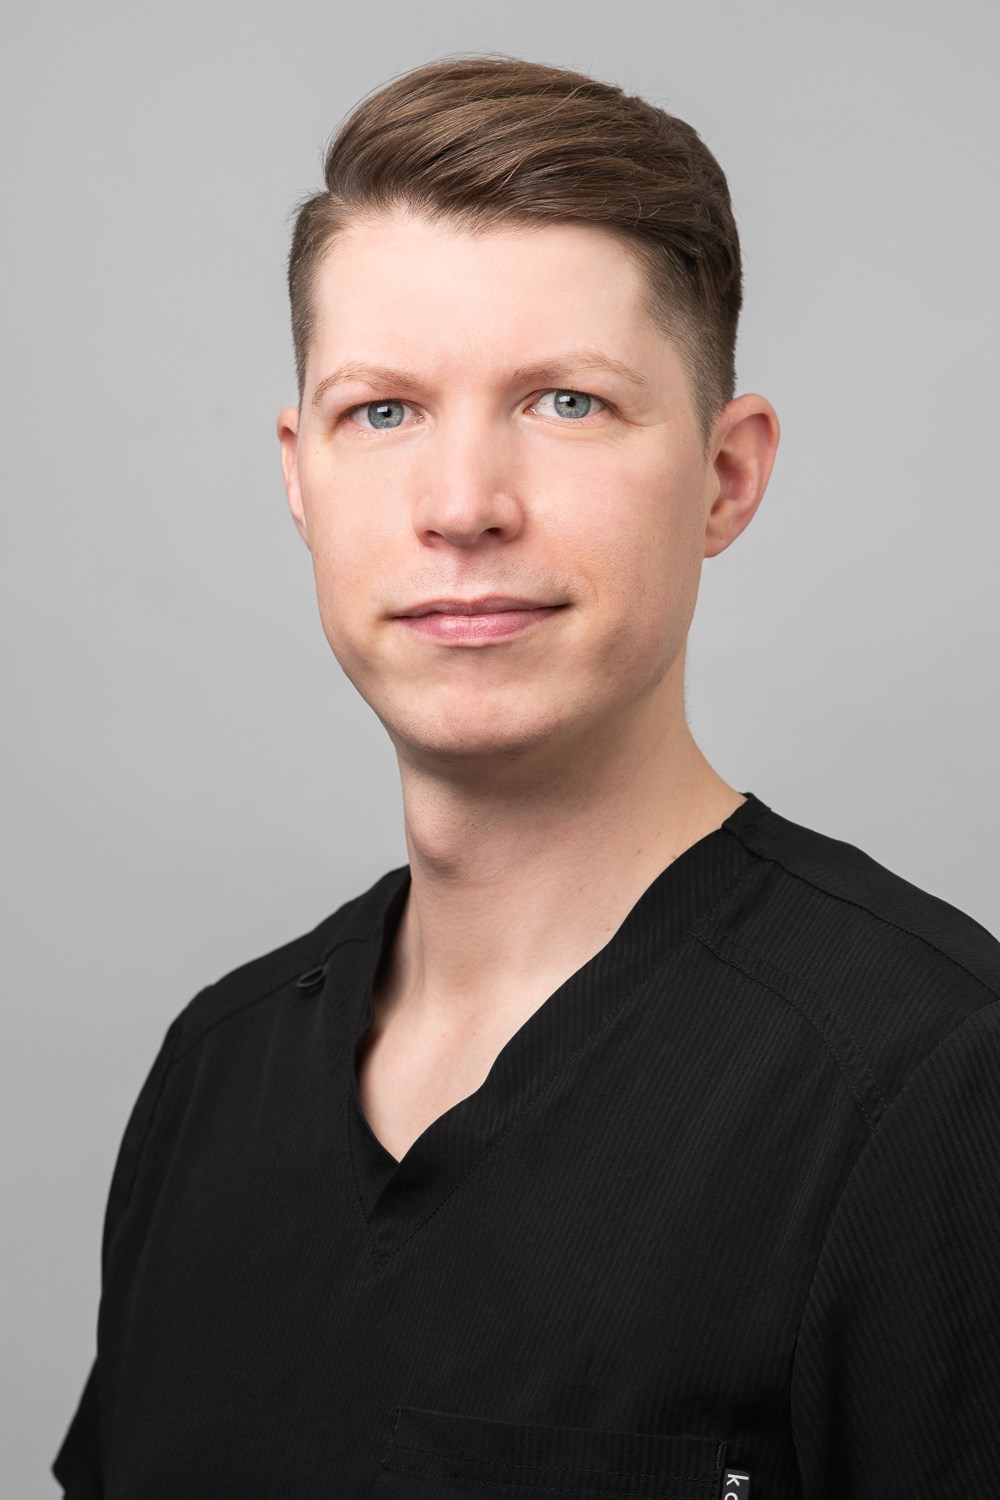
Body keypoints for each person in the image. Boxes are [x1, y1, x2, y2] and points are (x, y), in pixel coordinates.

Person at [53, 55, 1000, 1500]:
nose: (462, 507)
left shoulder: (935, 1090)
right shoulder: (214, 1071)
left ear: (727, 477)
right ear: (300, 478)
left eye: (566, 402)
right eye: (384, 412)